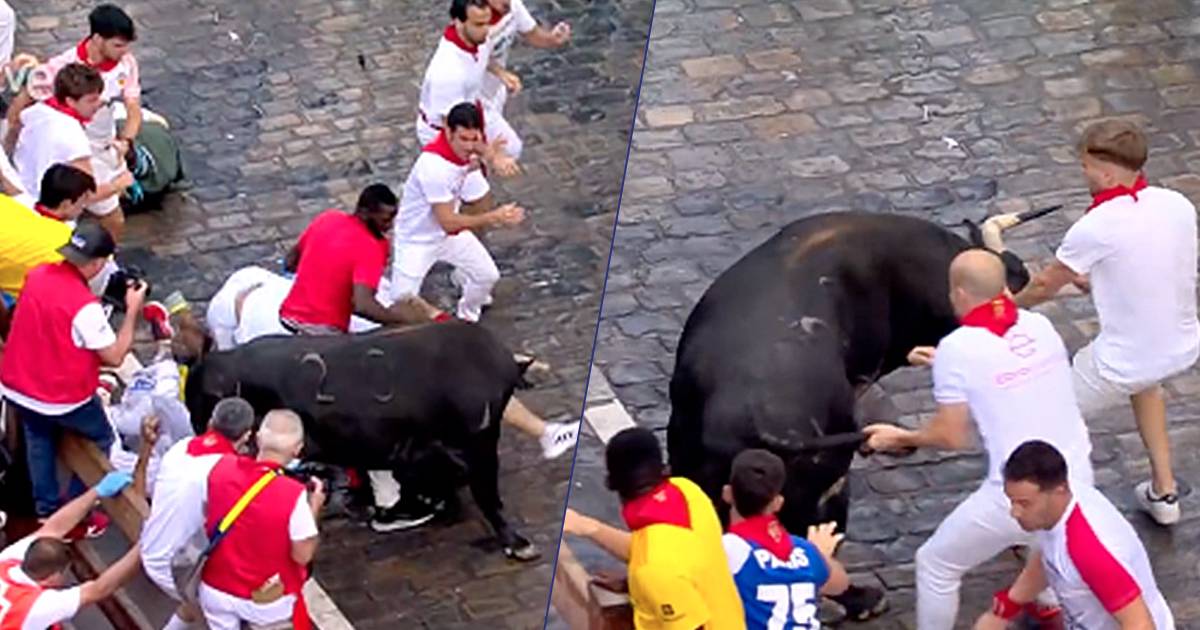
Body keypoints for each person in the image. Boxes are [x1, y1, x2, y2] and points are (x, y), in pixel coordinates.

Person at [863, 249, 1095, 629]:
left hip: (1019, 492)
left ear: (959, 294)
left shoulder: (960, 348)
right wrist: (946, 361)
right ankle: (1049, 599)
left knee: (936, 564)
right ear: (1003, 287)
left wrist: (899, 436)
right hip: (1077, 476)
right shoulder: (1039, 325)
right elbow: (1006, 366)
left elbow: (951, 436)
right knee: (1048, 534)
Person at [1014, 120, 1198, 526]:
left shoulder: (1096, 226)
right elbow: (1145, 261)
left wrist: (1009, 304)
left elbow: (1045, 284)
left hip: (1123, 359)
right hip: (1180, 344)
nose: (1083, 174)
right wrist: (1097, 280)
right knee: (1146, 386)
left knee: (1042, 415)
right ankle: (1164, 493)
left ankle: (1046, 518)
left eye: (1085, 167)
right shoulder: (1176, 205)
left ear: (1107, 171)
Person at [0, 222, 145, 534]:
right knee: (104, 439)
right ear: (97, 264)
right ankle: (76, 509)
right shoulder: (84, 307)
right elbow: (115, 356)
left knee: (38, 439)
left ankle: (46, 510)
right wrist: (133, 310)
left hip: (17, 382)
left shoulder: (38, 275)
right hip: (59, 396)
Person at [974, 440, 1173, 630]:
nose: (1014, 512)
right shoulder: (1056, 509)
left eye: (1024, 503)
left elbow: (1140, 625)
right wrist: (1004, 609)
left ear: (1058, 491)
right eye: (1012, 501)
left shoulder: (1090, 551)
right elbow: (1049, 557)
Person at [561, 427, 746, 630]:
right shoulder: (687, 492)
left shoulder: (653, 569)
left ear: (613, 484)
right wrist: (634, 586)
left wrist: (646, 586)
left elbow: (659, 566)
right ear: (664, 469)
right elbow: (677, 558)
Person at [6, 4, 141, 242]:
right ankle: (103, 268)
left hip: (105, 147)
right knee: (111, 217)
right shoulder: (59, 69)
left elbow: (133, 108)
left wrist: (127, 141)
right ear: (98, 38)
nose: (124, 52)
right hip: (76, 155)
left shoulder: (126, 63)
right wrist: (10, 146)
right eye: (118, 45)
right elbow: (21, 105)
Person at [391, 101, 524, 324]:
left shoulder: (461, 150)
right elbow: (448, 222)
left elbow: (474, 156)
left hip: (446, 237)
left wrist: (491, 156)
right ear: (448, 132)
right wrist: (494, 217)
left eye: (474, 139)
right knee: (401, 298)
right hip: (417, 240)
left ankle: (467, 319)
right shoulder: (434, 168)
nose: (469, 147)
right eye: (464, 139)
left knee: (487, 276)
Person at [198, 410, 324, 630]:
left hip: (216, 587)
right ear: (297, 450)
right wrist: (314, 507)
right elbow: (302, 555)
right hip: (265, 600)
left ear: (258, 438)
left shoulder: (221, 467)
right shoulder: (293, 494)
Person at [142, 397, 255, 630]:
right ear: (246, 435)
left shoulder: (180, 448)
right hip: (177, 571)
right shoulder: (230, 473)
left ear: (211, 424)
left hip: (150, 549)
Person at [278, 183, 444, 336]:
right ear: (364, 213)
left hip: (287, 315)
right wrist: (401, 322)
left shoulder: (327, 218)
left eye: (393, 219)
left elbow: (290, 262)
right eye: (385, 220)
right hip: (320, 329)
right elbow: (363, 305)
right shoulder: (373, 247)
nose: (390, 226)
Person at [721, 449, 849, 629]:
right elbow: (839, 584)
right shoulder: (804, 549)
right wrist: (821, 554)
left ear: (727, 493)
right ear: (777, 503)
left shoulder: (726, 549)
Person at [0, 470, 143, 629]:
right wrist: (146, 544)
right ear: (53, 576)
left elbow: (52, 529)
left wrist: (96, 492)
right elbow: (99, 589)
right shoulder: (37, 607)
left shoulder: (5, 561)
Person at [417, 0, 520, 176]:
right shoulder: (447, 73)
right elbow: (453, 127)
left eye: (487, 22)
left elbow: (483, 56)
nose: (486, 30)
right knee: (471, 183)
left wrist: (501, 74)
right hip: (445, 132)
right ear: (458, 21)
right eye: (479, 24)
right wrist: (489, 153)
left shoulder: (476, 36)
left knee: (512, 147)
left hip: (472, 108)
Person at [480, 0, 571, 161]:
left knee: (492, 151)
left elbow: (532, 34)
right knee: (511, 149)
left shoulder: (512, 5)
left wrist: (552, 38)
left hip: (494, 92)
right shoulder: (472, 19)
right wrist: (500, 73)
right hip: (473, 98)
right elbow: (469, 54)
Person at [0, 164, 96, 302]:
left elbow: (11, 189)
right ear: (66, 204)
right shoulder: (68, 240)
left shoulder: (19, 203)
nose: (84, 208)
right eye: (82, 202)